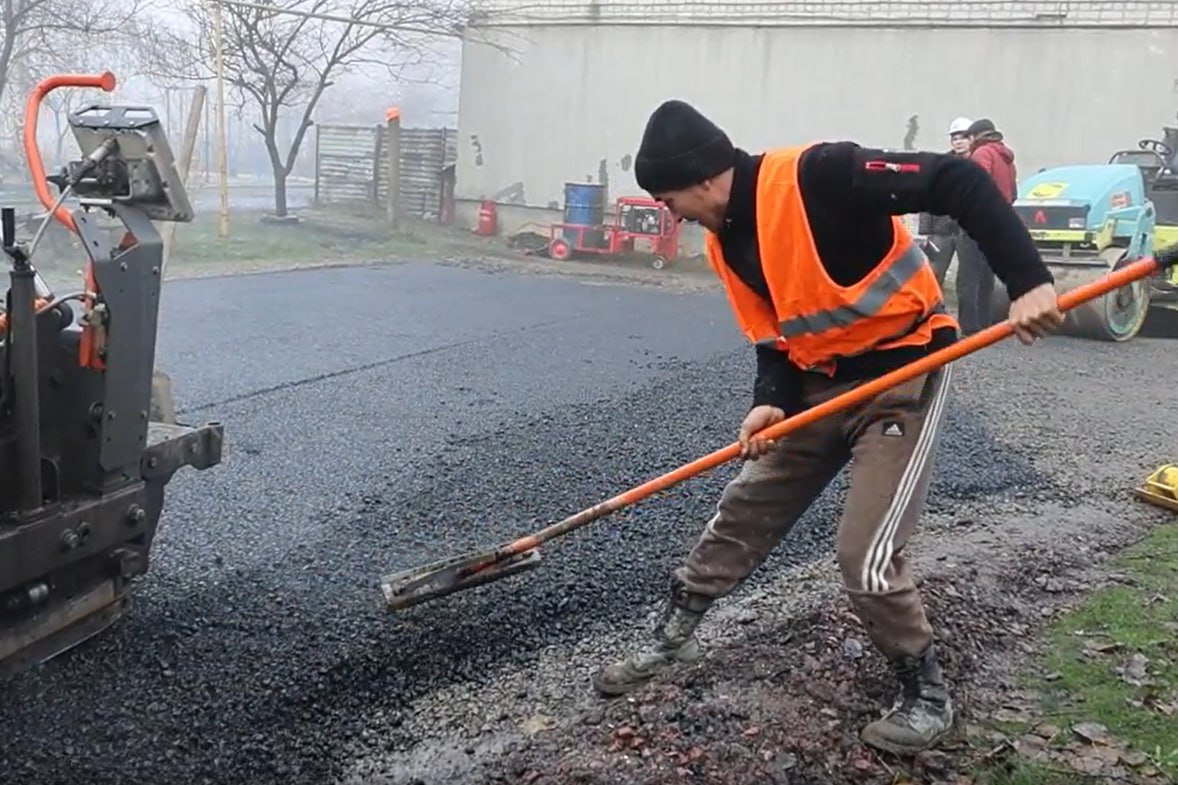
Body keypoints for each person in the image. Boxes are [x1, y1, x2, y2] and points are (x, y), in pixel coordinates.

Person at [591, 99, 1063, 757]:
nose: (673, 215)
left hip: (903, 377)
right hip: (822, 383)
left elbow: (958, 180)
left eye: (669, 200)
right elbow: (773, 338)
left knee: (863, 553)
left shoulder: (822, 175)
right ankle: (671, 636)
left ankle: (926, 694)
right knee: (745, 506)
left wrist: (1029, 279)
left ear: (701, 178)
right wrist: (770, 402)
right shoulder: (728, 242)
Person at [955, 117, 1018, 334]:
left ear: (975, 136)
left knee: (968, 278)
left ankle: (968, 328)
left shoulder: (982, 153)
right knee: (986, 277)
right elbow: (1013, 193)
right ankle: (984, 325)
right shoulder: (1006, 158)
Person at [917, 117, 973, 285]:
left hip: (968, 232)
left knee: (968, 278)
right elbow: (926, 195)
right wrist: (925, 231)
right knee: (932, 274)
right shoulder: (942, 165)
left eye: (963, 137)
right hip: (941, 230)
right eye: (955, 138)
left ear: (972, 139)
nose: (958, 142)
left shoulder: (979, 163)